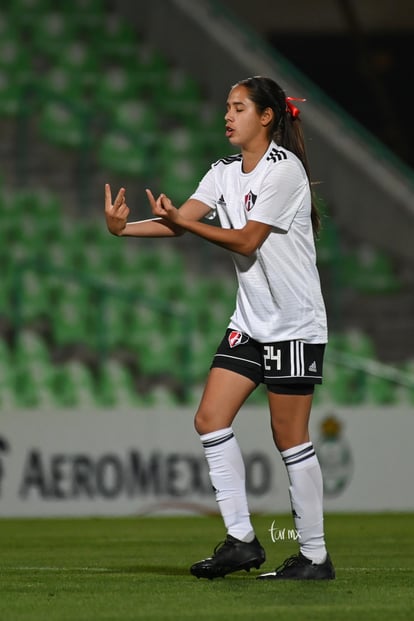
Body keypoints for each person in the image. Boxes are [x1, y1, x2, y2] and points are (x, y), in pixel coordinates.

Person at [104, 75, 335, 581]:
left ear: (266, 116)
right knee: (210, 418)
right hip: (250, 320)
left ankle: (315, 556)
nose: (227, 116)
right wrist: (127, 229)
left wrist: (184, 225)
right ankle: (241, 542)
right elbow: (178, 218)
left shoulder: (283, 170)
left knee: (288, 436)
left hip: (293, 322)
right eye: (226, 107)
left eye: (238, 107)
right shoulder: (224, 171)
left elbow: (247, 241)